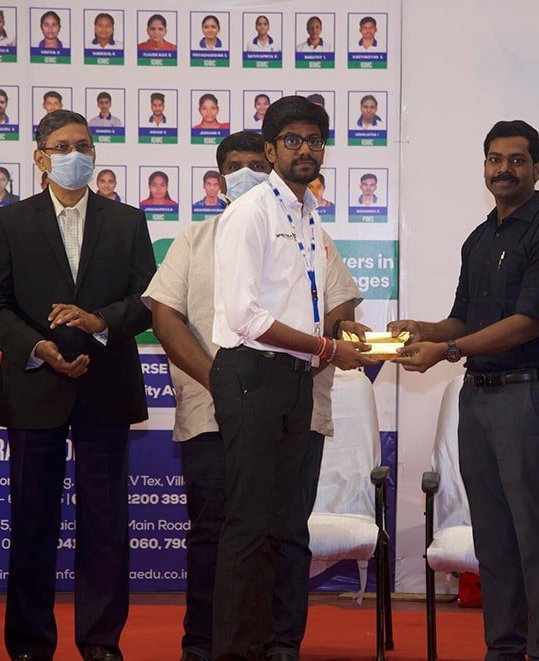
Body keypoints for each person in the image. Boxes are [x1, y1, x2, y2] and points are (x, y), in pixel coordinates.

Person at [144, 129, 364, 661]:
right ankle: (204, 643)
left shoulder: (312, 232)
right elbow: (166, 318)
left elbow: (338, 310)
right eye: (234, 167)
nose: (247, 175)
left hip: (295, 406)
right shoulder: (195, 239)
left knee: (286, 531)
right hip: (210, 408)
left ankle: (281, 643)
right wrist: (224, 383)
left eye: (255, 165)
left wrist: (340, 337)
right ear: (219, 180)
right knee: (216, 531)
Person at [391, 120, 539, 661]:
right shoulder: (479, 238)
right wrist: (425, 330)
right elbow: (462, 318)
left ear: (537, 167)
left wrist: (447, 351)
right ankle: (503, 648)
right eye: (495, 159)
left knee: (534, 535)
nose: (504, 169)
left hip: (526, 398)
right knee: (492, 536)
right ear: (484, 167)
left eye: (517, 160)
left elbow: (526, 324)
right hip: (476, 398)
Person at [0, 109, 155, 661]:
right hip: (35, 387)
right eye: (62, 146)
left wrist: (100, 322)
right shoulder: (10, 222)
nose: (75, 155)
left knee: (106, 524)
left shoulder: (127, 221)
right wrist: (37, 348)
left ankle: (100, 643)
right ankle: (30, 644)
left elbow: (148, 301)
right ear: (40, 158)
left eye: (84, 145)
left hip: (106, 386)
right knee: (32, 522)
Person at [210, 96, 373, 660]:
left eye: (314, 140)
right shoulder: (251, 212)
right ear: (272, 149)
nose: (305, 149)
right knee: (249, 527)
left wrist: (337, 336)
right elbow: (245, 318)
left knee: (281, 527)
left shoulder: (308, 214)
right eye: (293, 140)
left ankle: (262, 647)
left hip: (295, 379)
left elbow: (305, 306)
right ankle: (235, 653)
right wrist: (326, 346)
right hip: (251, 375)